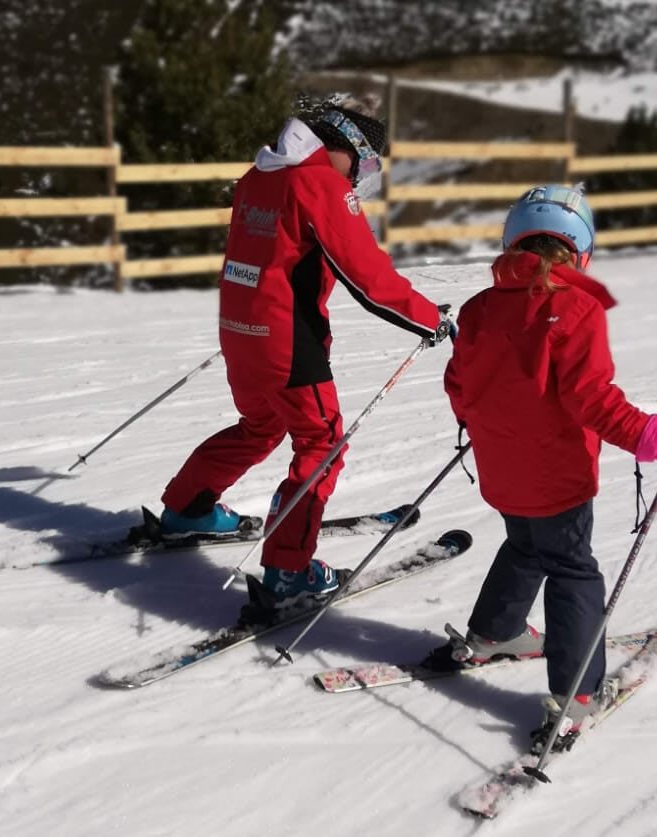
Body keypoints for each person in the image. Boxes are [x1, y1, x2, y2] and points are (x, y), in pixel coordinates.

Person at [441, 184, 657, 746]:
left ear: (513, 239)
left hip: (503, 470)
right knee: (572, 568)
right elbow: (594, 401)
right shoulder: (574, 307)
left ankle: (494, 632)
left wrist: (490, 427)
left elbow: (459, 386)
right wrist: (656, 436)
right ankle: (577, 695)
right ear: (581, 250)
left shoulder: (479, 308)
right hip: (557, 475)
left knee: (525, 546)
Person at [159, 98, 447, 608]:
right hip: (288, 341)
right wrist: (431, 320)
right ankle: (289, 570)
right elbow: (370, 278)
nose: (362, 177)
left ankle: (187, 508)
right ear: (347, 149)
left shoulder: (261, 173)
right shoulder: (319, 183)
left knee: (261, 427)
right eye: (365, 162)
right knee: (323, 442)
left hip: (240, 328)